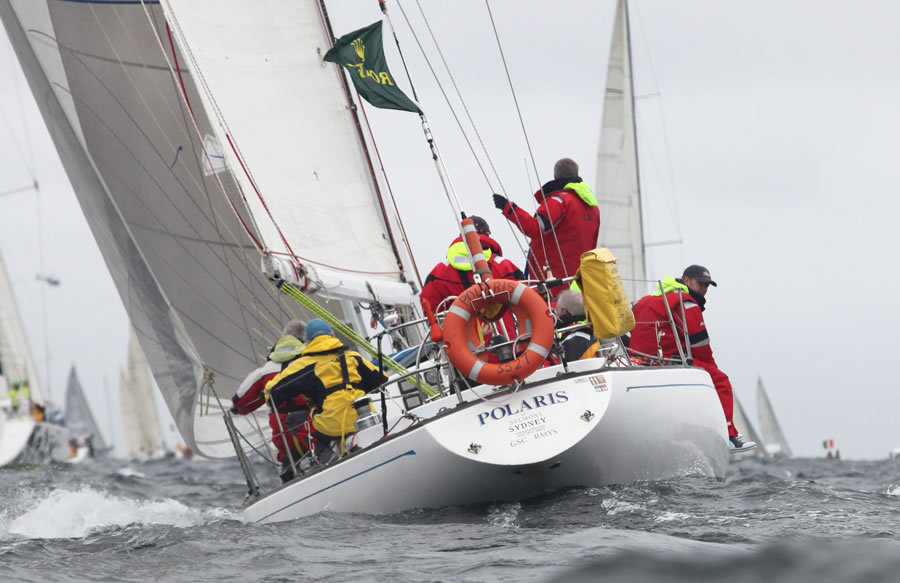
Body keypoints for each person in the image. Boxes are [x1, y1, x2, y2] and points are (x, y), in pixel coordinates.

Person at [627, 265, 756, 453]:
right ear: (686, 281)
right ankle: (728, 435)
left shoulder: (645, 301)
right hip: (668, 360)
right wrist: (712, 368)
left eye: (707, 286)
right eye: (701, 284)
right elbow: (700, 343)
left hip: (639, 361)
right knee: (720, 380)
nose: (704, 290)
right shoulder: (686, 302)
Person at [266, 319, 387, 465]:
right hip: (363, 416)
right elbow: (381, 378)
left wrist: (268, 398)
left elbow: (273, 390)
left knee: (293, 420)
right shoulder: (352, 356)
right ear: (332, 335)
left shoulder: (304, 364)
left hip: (331, 425)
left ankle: (326, 457)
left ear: (308, 342)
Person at [492, 158, 599, 288]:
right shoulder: (593, 208)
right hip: (580, 283)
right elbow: (592, 244)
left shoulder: (558, 201)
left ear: (555, 177)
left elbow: (534, 228)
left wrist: (508, 207)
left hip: (555, 283)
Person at [229, 320, 312, 482]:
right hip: (311, 429)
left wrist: (236, 409)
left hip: (283, 435)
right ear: (304, 340)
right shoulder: (310, 363)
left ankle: (290, 473)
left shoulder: (265, 371)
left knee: (289, 455)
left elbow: (240, 403)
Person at [420, 216, 524, 339]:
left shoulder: (439, 271)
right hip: (507, 342)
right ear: (487, 235)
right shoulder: (503, 265)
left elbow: (430, 307)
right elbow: (528, 298)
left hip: (465, 349)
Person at [554, 289, 600, 362]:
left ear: (563, 311)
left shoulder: (570, 342)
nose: (554, 313)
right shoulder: (594, 332)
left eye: (556, 309)